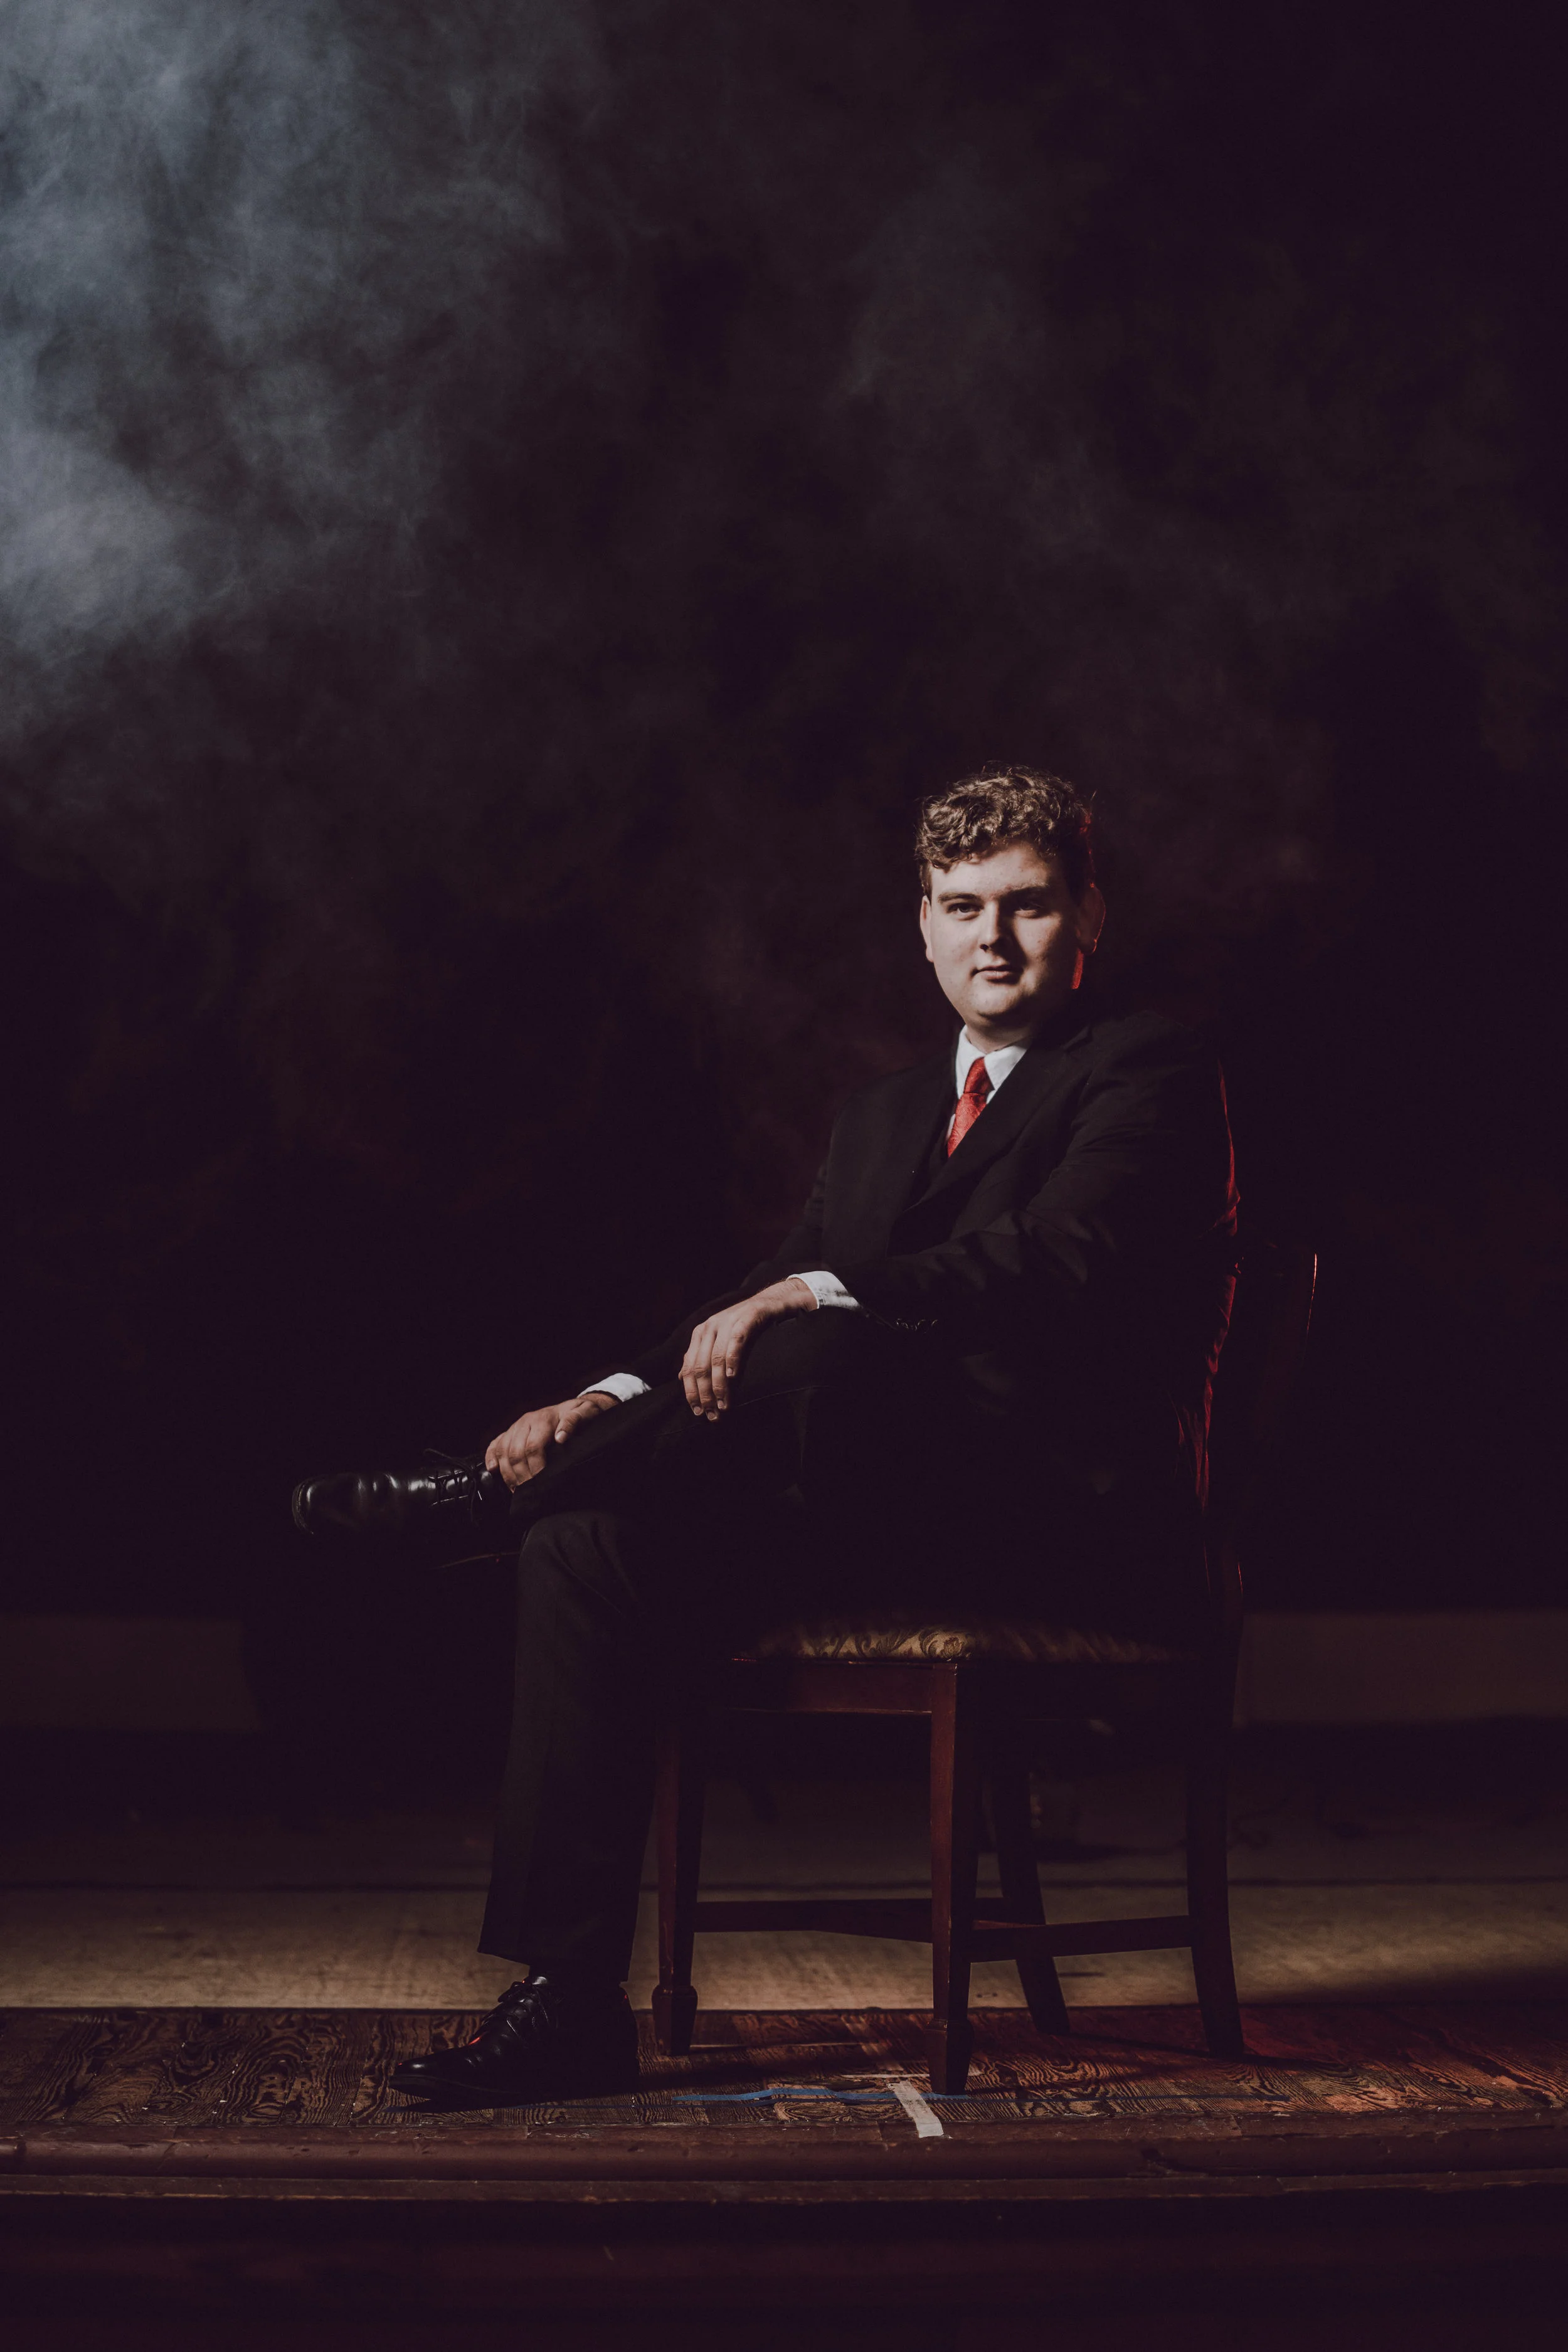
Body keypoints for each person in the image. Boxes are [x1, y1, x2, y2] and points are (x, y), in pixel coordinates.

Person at [293, 768, 1239, 2102]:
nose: (992, 937)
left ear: (1087, 915)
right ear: (922, 924)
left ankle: (471, 1508)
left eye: (1026, 905)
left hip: (1051, 1521)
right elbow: (752, 1303)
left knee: (818, 1326)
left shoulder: (1147, 1068)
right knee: (586, 1541)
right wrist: (600, 1399)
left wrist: (820, 1296)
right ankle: (567, 2000)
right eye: (962, 905)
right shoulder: (884, 1112)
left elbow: (1054, 1259)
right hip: (862, 1505)